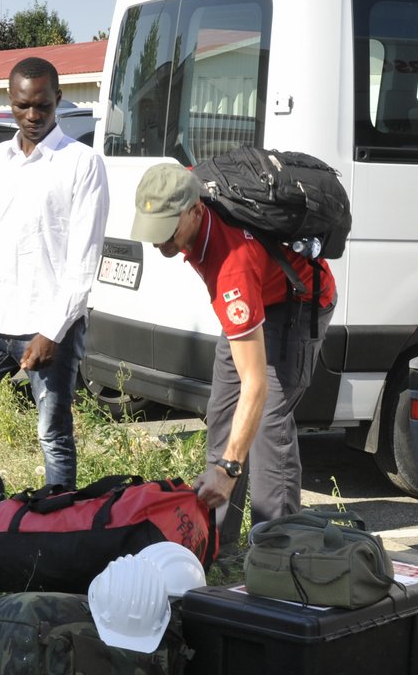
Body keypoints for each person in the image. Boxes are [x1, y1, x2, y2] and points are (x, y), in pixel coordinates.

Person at [0, 56, 109, 553]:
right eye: (21, 105)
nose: (31, 115)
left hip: (52, 321)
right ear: (9, 102)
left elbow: (85, 258)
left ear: (58, 100)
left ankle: (56, 532)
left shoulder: (82, 163)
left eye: (41, 105)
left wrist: (53, 331)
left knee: (52, 431)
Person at [128, 163, 337, 554]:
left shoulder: (232, 269)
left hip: (295, 304)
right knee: (223, 413)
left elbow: (255, 385)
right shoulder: (189, 187)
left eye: (167, 231)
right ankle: (216, 546)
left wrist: (229, 469)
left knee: (268, 426)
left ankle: (277, 553)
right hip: (257, 299)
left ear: (194, 212)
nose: (160, 244)